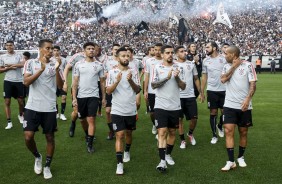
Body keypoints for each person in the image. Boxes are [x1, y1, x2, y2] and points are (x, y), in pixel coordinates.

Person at [23, 39, 63, 179]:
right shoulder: (31, 63)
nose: (50, 51)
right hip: (33, 106)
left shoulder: (55, 64)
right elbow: (26, 82)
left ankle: (47, 166)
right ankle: (37, 156)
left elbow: (60, 85)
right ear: (40, 49)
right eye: (48, 48)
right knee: (28, 137)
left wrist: (57, 69)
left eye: (52, 48)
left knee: (50, 137)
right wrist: (41, 70)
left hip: (49, 107)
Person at [220, 45, 257, 171]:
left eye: (226, 54)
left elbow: (253, 84)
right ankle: (231, 161)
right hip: (229, 105)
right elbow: (223, 80)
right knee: (228, 130)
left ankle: (241, 157)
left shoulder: (248, 65)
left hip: (244, 105)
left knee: (243, 132)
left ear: (234, 55)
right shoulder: (226, 66)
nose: (225, 56)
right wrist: (234, 67)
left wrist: (248, 99)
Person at [106, 47, 141, 175]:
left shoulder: (134, 72)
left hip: (130, 110)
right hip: (117, 110)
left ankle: (127, 150)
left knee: (129, 134)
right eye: (123, 56)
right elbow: (108, 91)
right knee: (119, 135)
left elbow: (137, 90)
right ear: (117, 57)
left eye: (127, 56)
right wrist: (117, 81)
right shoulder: (112, 72)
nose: (126, 58)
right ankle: (119, 164)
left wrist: (130, 79)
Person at [151, 45, 186, 172]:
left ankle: (168, 154)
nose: (170, 55)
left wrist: (176, 78)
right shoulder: (157, 67)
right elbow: (154, 85)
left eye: (172, 52)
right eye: (167, 53)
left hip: (175, 106)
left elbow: (183, 87)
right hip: (160, 105)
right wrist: (167, 77)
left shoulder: (179, 67)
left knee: (172, 133)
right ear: (162, 54)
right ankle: (162, 162)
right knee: (162, 132)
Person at [72, 42, 106, 153]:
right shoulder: (78, 64)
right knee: (82, 119)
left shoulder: (99, 65)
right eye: (89, 49)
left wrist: (104, 97)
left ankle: (90, 144)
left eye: (93, 49)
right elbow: (75, 82)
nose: (91, 50)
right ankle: (87, 135)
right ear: (84, 51)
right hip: (81, 96)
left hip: (94, 96)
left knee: (91, 119)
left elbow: (102, 83)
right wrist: (74, 98)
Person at [175, 46, 201, 149]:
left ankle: (190, 134)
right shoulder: (173, 65)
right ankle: (182, 140)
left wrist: (201, 92)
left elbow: (196, 78)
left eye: (185, 51)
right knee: (179, 119)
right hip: (178, 96)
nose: (184, 53)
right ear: (177, 54)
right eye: (181, 51)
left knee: (194, 118)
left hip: (190, 95)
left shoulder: (191, 64)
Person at [201, 42, 227, 144]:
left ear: (214, 48)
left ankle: (220, 125)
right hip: (211, 90)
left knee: (225, 112)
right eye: (205, 47)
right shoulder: (205, 60)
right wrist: (202, 91)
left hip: (224, 90)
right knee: (213, 112)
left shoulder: (224, 58)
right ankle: (214, 135)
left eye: (208, 47)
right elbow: (204, 76)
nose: (206, 49)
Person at [0, 41, 25, 129]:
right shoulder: (2, 57)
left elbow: (22, 64)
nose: (9, 47)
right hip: (8, 81)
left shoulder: (19, 55)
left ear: (14, 46)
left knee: (21, 102)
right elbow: (0, 70)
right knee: (7, 101)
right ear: (5, 47)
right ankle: (9, 122)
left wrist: (9, 65)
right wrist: (10, 68)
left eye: (11, 45)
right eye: (7, 45)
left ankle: (21, 115)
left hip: (19, 81)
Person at [63, 50, 88, 137]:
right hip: (76, 88)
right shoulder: (77, 56)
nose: (92, 50)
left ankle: (89, 134)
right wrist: (65, 82)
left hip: (90, 90)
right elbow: (66, 68)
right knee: (77, 112)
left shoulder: (95, 59)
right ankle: (73, 123)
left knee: (89, 114)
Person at [144, 43, 163, 136]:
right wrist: (145, 90)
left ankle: (161, 129)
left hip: (163, 91)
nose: (157, 52)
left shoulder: (165, 60)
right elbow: (146, 75)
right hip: (152, 91)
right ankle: (155, 125)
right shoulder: (149, 61)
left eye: (159, 50)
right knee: (152, 113)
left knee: (161, 111)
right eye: (156, 50)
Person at [103, 43, 120, 140]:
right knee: (108, 111)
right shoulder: (107, 62)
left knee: (117, 111)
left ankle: (119, 129)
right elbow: (104, 75)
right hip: (109, 88)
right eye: (115, 49)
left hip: (119, 90)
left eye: (118, 49)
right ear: (112, 50)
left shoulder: (122, 61)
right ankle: (111, 131)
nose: (116, 51)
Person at [52, 46, 68, 121]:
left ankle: (62, 114)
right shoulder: (50, 60)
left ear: (59, 51)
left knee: (64, 97)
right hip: (53, 82)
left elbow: (66, 70)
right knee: (54, 99)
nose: (56, 52)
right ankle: (56, 113)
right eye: (54, 50)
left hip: (63, 81)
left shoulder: (64, 60)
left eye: (57, 50)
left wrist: (65, 81)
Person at [142, 46, 155, 114]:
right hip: (146, 79)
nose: (154, 51)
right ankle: (148, 107)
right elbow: (144, 69)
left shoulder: (157, 59)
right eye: (153, 50)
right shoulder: (145, 59)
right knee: (146, 96)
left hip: (153, 80)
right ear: (149, 51)